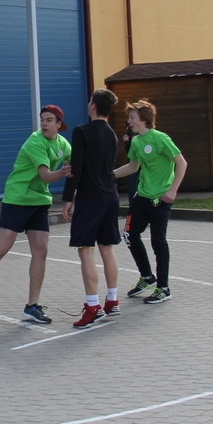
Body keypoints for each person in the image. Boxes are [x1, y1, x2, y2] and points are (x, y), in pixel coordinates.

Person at [0, 105, 71, 324]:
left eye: (49, 120)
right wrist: (64, 172)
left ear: (59, 124)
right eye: (42, 119)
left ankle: (32, 306)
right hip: (18, 198)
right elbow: (46, 176)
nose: (44, 124)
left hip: (38, 201)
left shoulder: (63, 144)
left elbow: (74, 165)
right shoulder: (35, 142)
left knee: (41, 251)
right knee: (2, 248)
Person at [113, 99, 187, 305]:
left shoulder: (161, 139)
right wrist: (109, 175)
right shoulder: (136, 142)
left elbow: (182, 163)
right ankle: (146, 276)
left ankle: (163, 287)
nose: (129, 121)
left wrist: (173, 190)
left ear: (143, 120)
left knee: (158, 241)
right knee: (130, 234)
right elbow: (132, 167)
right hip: (141, 197)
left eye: (132, 117)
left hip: (160, 199)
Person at [62, 89, 123, 328]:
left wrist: (68, 198)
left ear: (94, 106)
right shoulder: (112, 134)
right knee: (107, 249)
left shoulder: (82, 131)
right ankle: (113, 299)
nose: (88, 104)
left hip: (90, 198)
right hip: (111, 196)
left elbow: (76, 167)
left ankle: (93, 305)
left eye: (90, 101)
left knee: (85, 250)